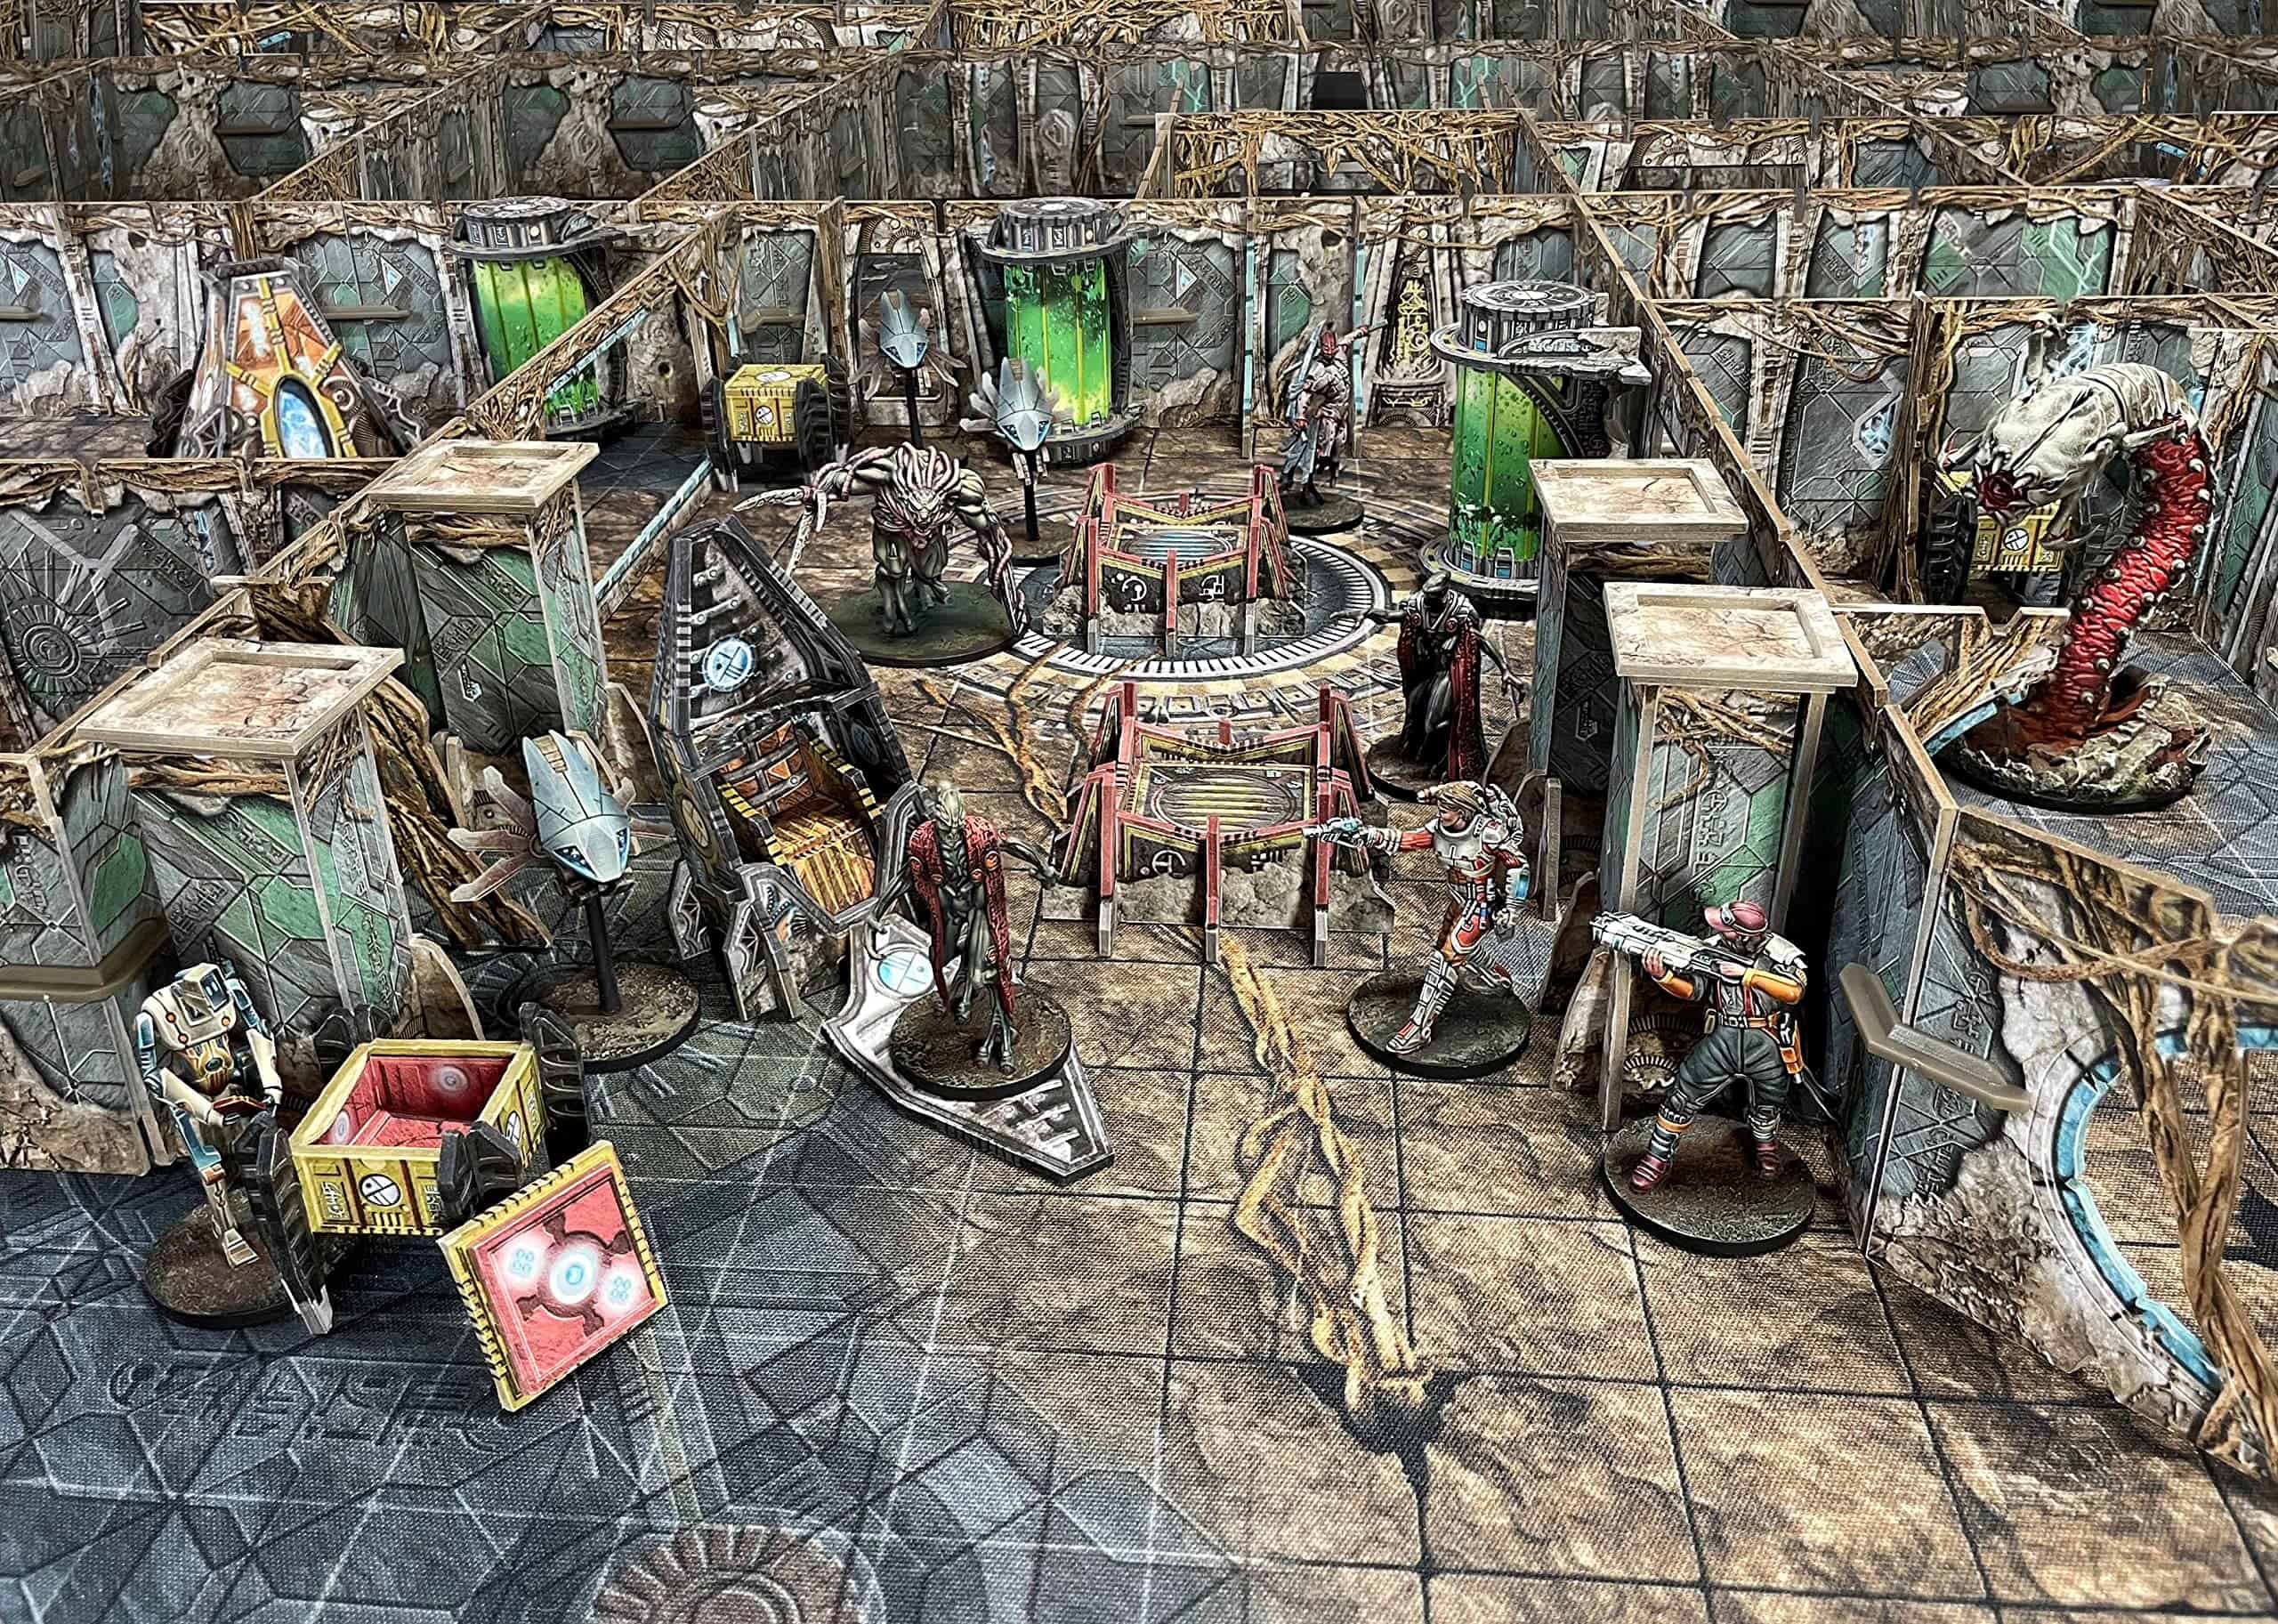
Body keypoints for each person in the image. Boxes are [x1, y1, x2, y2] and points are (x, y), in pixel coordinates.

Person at [1632, 901, 1807, 1192]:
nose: (1720, 934)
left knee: (1770, 1099)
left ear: (1744, 935)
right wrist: (1663, 977)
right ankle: (1657, 1156)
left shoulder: (1779, 954)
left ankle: (1766, 1147)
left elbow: (1793, 992)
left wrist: (1748, 976)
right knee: (1684, 1093)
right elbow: (1693, 991)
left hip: (1766, 1041)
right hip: (1724, 1037)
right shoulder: (1713, 949)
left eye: (1727, 930)